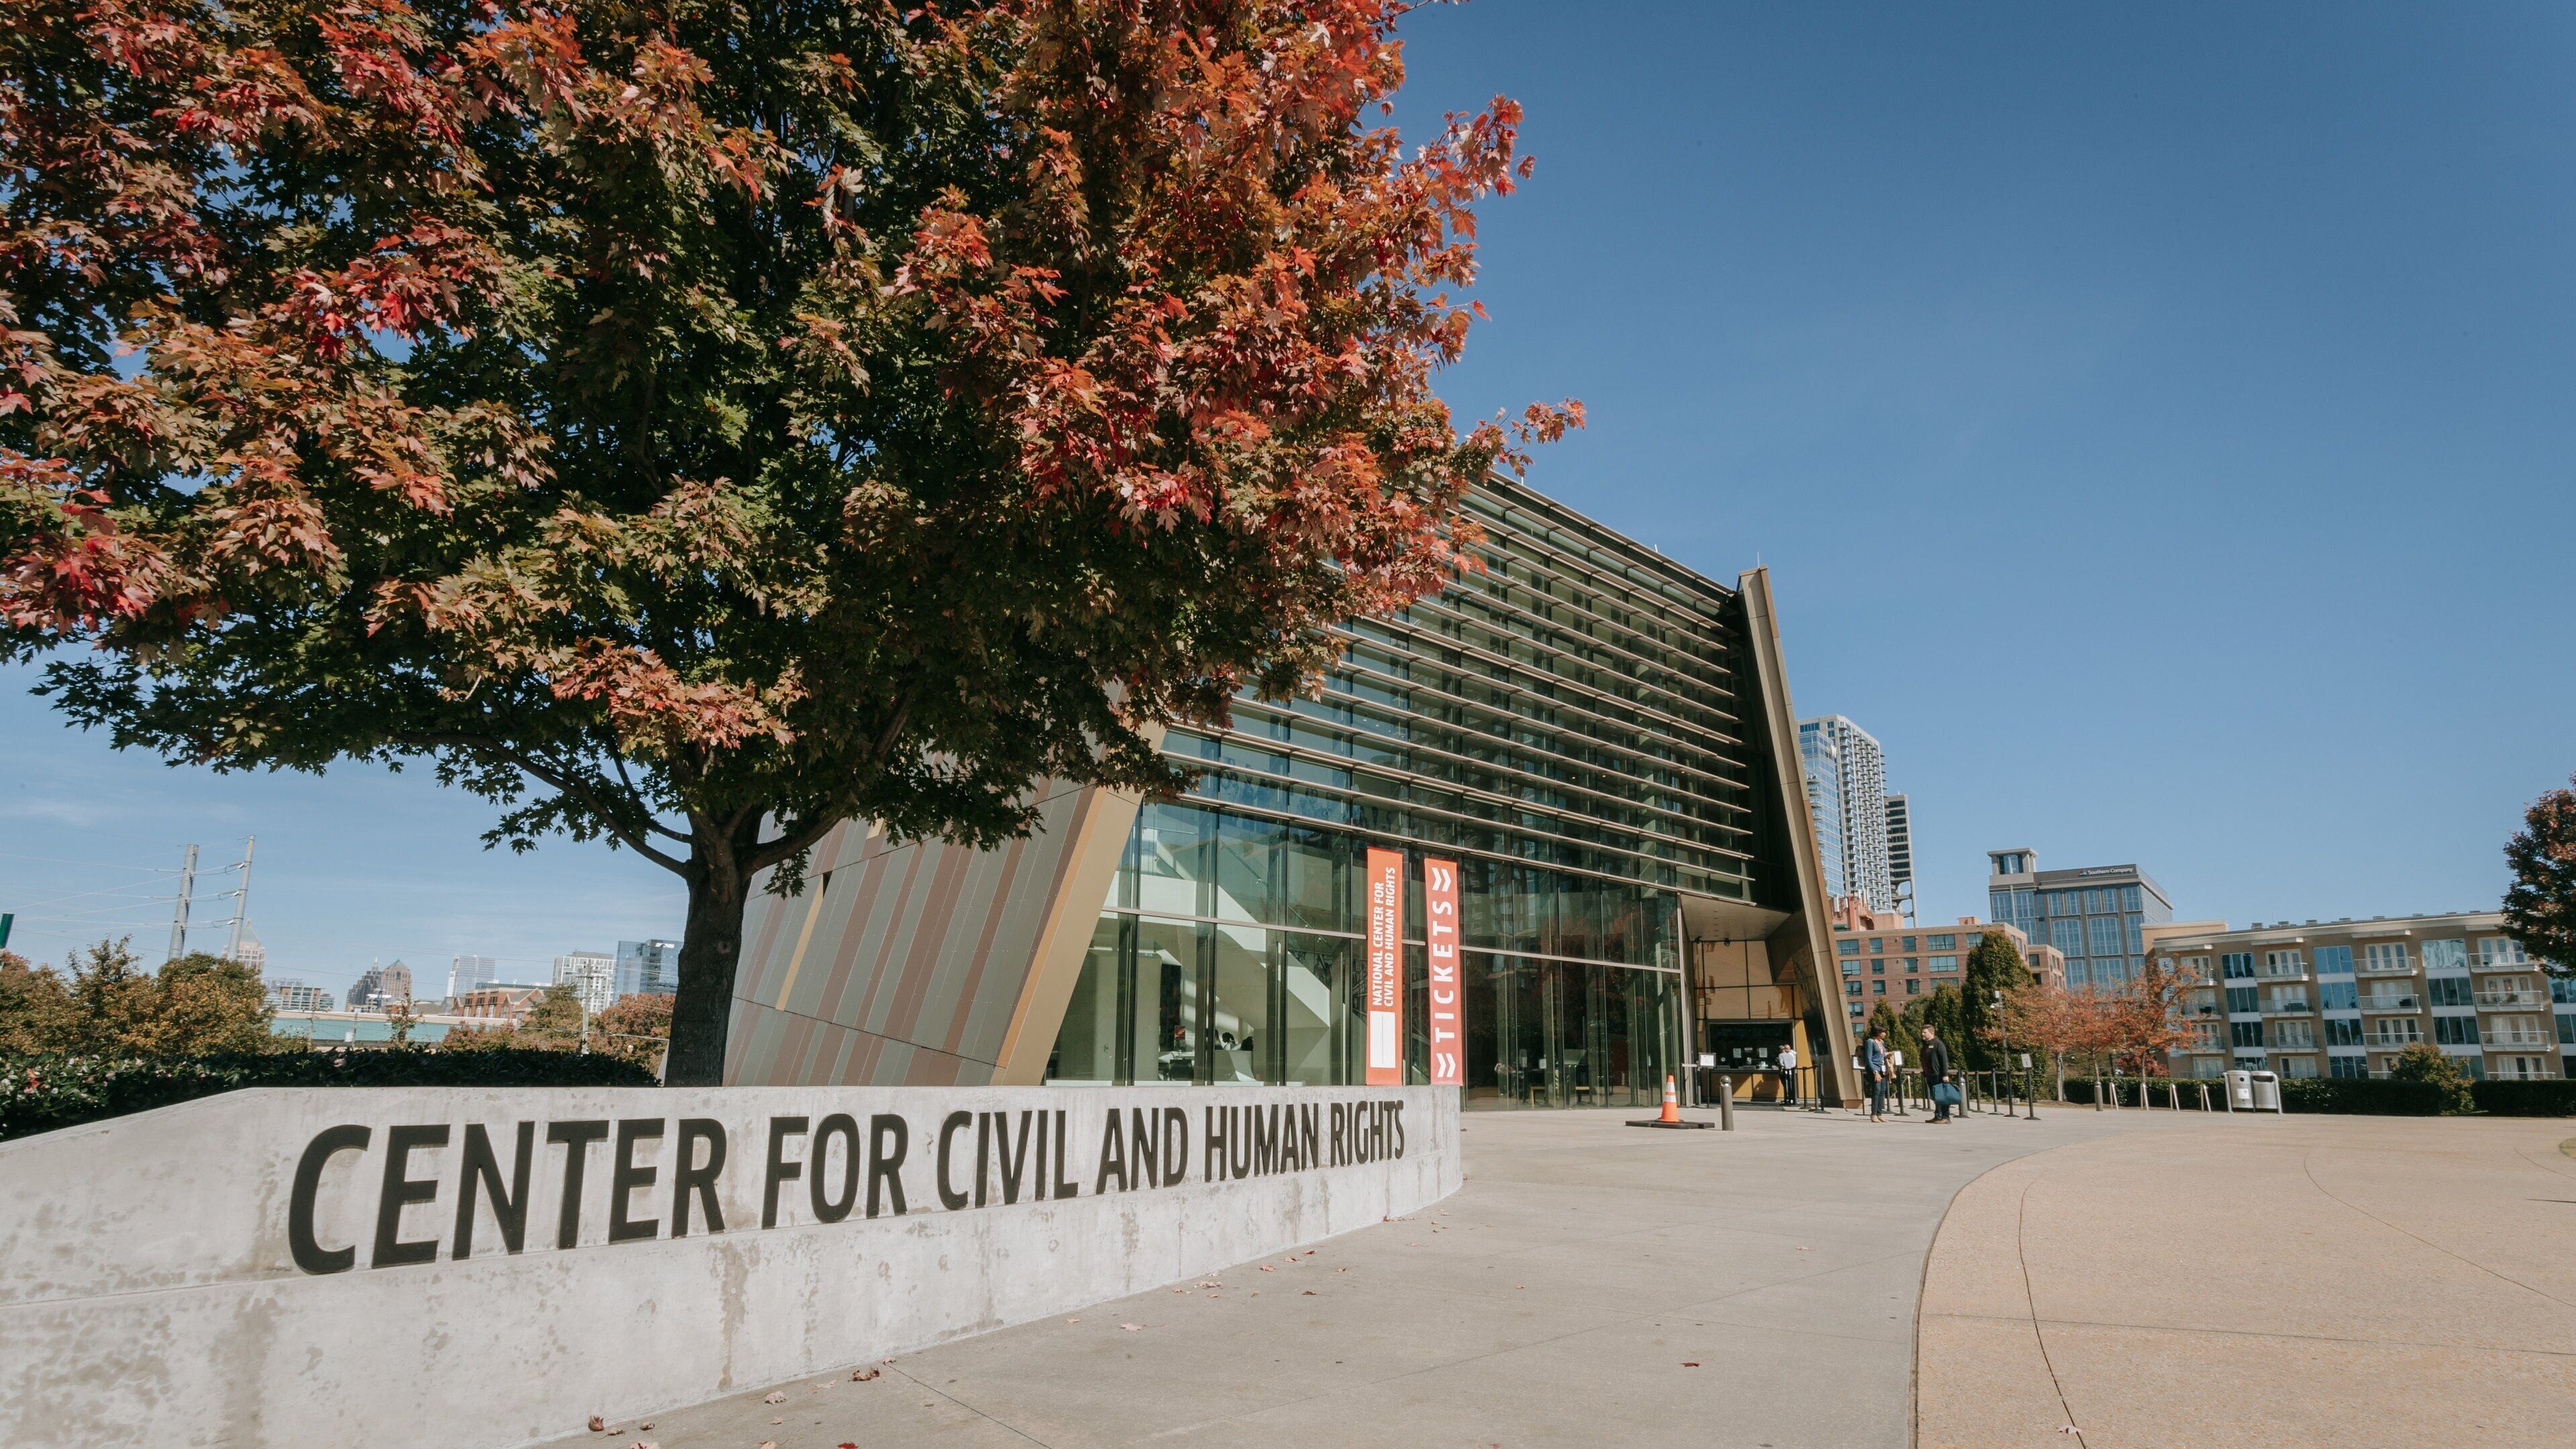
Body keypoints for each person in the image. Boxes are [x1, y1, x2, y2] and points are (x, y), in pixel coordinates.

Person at [1922, 1026, 1955, 1124]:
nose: (1923, 1034)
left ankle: (1946, 1117)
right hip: (1929, 1075)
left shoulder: (1938, 1044)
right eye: (1922, 1032)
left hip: (1938, 1075)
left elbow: (1944, 1060)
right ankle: (1938, 1116)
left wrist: (1945, 1074)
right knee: (1935, 1097)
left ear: (1931, 1033)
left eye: (1925, 1032)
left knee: (1943, 1097)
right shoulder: (1925, 1045)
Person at [1864, 1026, 1890, 1122]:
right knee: (1876, 1090)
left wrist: (1888, 1055)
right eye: (1883, 1032)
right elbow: (1869, 1059)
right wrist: (1875, 1072)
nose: (1885, 1034)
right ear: (1878, 1033)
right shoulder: (1870, 1042)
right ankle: (1873, 1114)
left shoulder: (1882, 1042)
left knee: (1883, 1090)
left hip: (1882, 1068)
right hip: (1874, 1069)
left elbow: (1882, 1054)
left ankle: (1880, 1113)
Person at [1776, 1042, 1799, 1107]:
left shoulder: (1785, 1055)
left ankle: (1789, 1099)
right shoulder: (1792, 1054)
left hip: (1787, 1071)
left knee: (1787, 1086)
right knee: (1791, 1086)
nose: (1784, 1050)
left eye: (1785, 1048)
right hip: (1791, 1072)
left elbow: (1781, 1064)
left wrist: (1784, 1067)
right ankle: (1791, 1099)